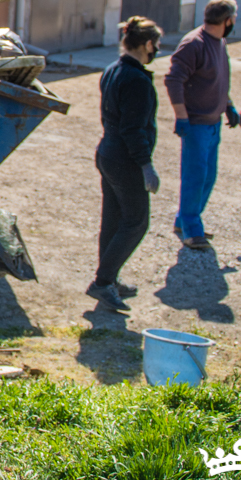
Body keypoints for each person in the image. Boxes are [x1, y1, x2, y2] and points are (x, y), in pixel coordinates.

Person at [89, 16, 164, 314]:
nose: (157, 48)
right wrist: (146, 165)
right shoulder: (136, 80)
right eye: (156, 44)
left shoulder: (113, 70)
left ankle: (109, 279)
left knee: (114, 219)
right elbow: (133, 129)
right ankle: (103, 281)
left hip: (108, 153)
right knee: (136, 222)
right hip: (125, 159)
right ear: (147, 44)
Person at [164, 0, 240, 252]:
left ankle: (183, 220)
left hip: (213, 121)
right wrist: (181, 116)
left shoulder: (219, 42)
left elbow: (218, 79)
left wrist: (227, 105)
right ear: (228, 20)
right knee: (195, 177)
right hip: (195, 123)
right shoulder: (194, 44)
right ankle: (191, 229)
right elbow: (173, 80)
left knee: (208, 176)